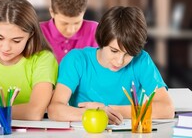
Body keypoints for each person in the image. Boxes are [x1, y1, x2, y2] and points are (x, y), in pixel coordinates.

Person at [47, 6, 175, 124]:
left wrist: (109, 110)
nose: (119, 61)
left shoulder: (141, 60)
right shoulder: (76, 60)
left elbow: (167, 109)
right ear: (102, 40)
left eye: (128, 54)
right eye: (114, 51)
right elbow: (55, 110)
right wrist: (94, 113)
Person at [40, 0, 98, 64]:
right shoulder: (38, 32)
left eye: (77, 23)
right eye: (64, 23)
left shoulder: (94, 30)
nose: (70, 30)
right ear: (52, 12)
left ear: (84, 12)